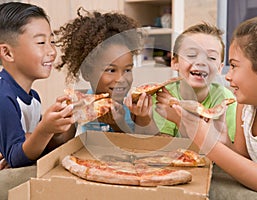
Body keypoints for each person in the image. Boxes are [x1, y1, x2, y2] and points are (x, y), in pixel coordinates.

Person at [171, 13, 257, 195]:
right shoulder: (245, 106)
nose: (228, 76)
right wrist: (221, 140)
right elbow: (242, 160)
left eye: (234, 66)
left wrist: (204, 141)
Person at [55, 8, 155, 135]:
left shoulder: (137, 107)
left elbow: (146, 148)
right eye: (111, 70)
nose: (121, 79)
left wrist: (119, 124)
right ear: (87, 73)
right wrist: (59, 122)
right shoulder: (80, 105)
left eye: (128, 70)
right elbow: (61, 146)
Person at [0, 2, 75, 169]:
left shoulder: (33, 97)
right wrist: (45, 130)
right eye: (41, 43)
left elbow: (38, 145)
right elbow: (16, 159)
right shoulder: (3, 97)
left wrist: (64, 120)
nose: (52, 51)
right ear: (7, 53)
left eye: (53, 41)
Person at [154, 23, 236, 139]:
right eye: (191, 55)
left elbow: (228, 150)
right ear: (175, 62)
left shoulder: (227, 101)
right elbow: (162, 147)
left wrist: (179, 118)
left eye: (211, 58)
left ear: (219, 68)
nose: (201, 62)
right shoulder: (162, 97)